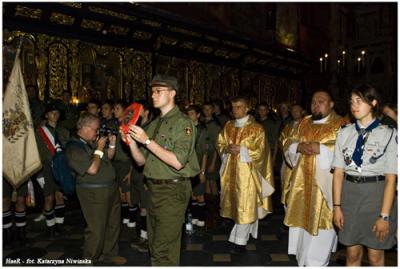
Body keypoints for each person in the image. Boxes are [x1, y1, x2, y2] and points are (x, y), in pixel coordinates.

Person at [125, 74, 200, 266]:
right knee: (160, 245)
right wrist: (132, 143)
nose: (153, 95)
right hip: (154, 189)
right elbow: (141, 161)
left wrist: (147, 141)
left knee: (161, 246)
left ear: (172, 93)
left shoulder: (183, 124)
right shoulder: (154, 124)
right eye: (152, 92)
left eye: (158, 91)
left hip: (173, 190)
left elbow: (177, 162)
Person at [332, 84, 397, 266]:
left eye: (359, 101)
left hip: (376, 196)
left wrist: (384, 216)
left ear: (373, 103)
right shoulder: (344, 133)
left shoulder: (389, 134)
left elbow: (391, 178)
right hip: (350, 196)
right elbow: (338, 173)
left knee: (376, 256)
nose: (354, 105)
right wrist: (337, 206)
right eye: (351, 101)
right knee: (352, 254)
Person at [283, 90, 347, 266]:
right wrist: (298, 147)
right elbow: (287, 141)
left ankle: (318, 263)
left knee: (322, 224)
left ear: (331, 104)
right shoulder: (304, 122)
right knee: (302, 225)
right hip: (301, 183)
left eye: (321, 101)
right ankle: (302, 259)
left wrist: (323, 149)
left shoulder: (341, 124)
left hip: (324, 187)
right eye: (313, 101)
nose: (315, 104)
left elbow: (347, 150)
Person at [65, 112, 126, 265]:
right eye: (95, 129)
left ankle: (110, 254)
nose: (97, 132)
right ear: (84, 127)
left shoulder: (91, 143)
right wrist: (99, 148)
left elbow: (109, 157)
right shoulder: (74, 148)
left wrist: (111, 144)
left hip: (109, 188)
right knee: (96, 228)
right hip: (93, 192)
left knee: (113, 224)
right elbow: (92, 169)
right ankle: (89, 259)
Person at [216, 96, 275, 253]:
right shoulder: (228, 125)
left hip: (248, 175)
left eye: (239, 107)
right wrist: (226, 149)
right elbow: (220, 143)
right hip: (230, 173)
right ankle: (239, 237)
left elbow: (262, 151)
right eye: (234, 107)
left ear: (247, 108)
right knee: (236, 205)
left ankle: (240, 242)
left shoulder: (256, 128)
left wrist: (242, 150)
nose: (236, 110)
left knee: (245, 205)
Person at [35, 103, 70, 237]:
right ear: (46, 115)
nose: (54, 115)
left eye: (56, 113)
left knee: (60, 197)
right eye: (51, 112)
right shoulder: (40, 132)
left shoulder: (64, 131)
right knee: (49, 198)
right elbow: (41, 152)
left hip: (62, 168)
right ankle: (51, 226)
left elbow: (68, 149)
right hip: (47, 168)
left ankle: (59, 225)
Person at [129, 100, 155, 253]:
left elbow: (151, 154)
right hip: (137, 171)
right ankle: (143, 236)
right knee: (141, 206)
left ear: (146, 112)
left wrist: (148, 177)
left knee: (147, 207)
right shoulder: (138, 128)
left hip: (146, 171)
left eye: (139, 111)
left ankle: (148, 238)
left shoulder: (151, 128)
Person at [186, 105, 210, 229]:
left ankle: (201, 218)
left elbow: (205, 153)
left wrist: (203, 171)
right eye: (188, 114)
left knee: (200, 194)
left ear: (198, 115)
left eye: (192, 113)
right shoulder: (187, 128)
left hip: (198, 165)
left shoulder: (202, 130)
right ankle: (194, 216)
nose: (189, 116)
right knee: (192, 194)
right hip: (188, 166)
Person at [113, 100, 135, 228]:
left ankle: (132, 218)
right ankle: (126, 216)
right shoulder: (115, 125)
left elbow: (134, 150)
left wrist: (131, 170)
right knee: (120, 193)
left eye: (117, 108)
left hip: (126, 162)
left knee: (128, 192)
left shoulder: (129, 125)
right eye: (114, 109)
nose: (114, 111)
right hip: (116, 162)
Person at [279, 104, 304, 209]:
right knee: (286, 183)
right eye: (293, 111)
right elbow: (281, 140)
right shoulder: (288, 127)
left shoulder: (308, 125)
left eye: (297, 111)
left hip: (302, 161)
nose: (295, 113)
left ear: (302, 112)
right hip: (288, 160)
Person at [201, 102, 222, 227]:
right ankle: (209, 209)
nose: (207, 111)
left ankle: (215, 209)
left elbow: (217, 145)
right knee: (207, 182)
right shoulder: (203, 123)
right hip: (204, 156)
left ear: (213, 110)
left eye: (209, 109)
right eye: (205, 109)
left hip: (212, 158)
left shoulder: (215, 125)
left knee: (212, 182)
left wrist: (213, 162)